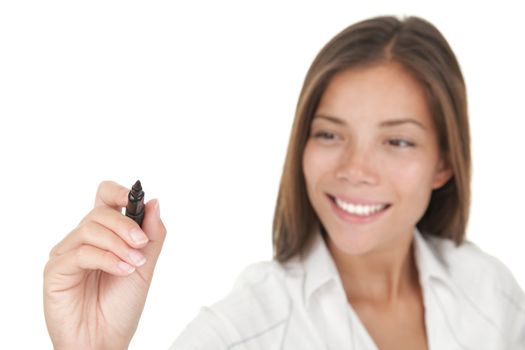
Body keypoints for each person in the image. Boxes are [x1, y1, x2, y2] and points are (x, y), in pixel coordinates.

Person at [43, 15, 525, 349]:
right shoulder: (248, 328)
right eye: (330, 133)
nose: (355, 168)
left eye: (397, 141)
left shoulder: (491, 294)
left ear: (445, 163)